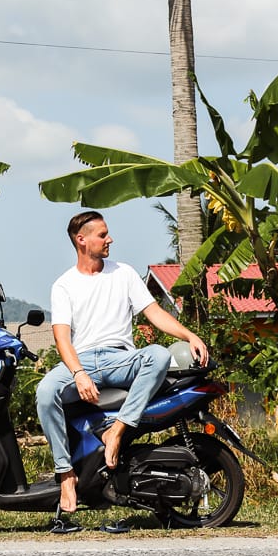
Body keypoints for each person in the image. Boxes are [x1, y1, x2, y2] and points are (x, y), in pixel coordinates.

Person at [35, 210, 208, 527]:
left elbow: (154, 313)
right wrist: (78, 373)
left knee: (158, 355)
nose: (110, 239)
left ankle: (116, 431)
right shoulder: (63, 285)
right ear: (81, 240)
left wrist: (189, 335)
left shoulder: (124, 273)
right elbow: (61, 338)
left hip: (121, 359)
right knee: (45, 392)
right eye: (102, 235)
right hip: (83, 360)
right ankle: (66, 474)